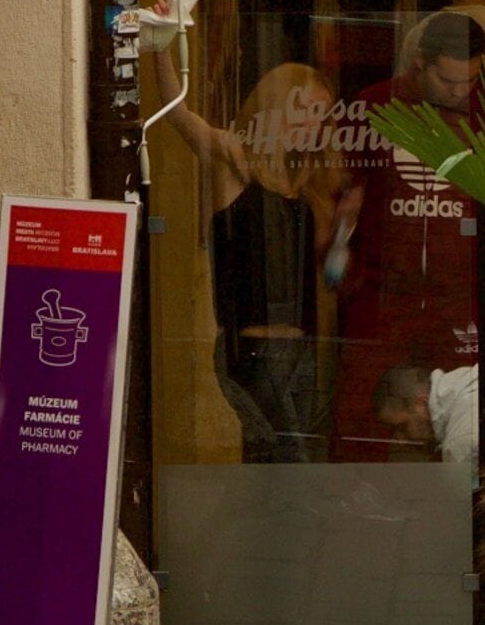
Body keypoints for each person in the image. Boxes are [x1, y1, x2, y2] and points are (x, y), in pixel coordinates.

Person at [144, 46, 356, 464]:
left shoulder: (310, 181)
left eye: (322, 114)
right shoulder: (234, 158)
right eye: (305, 109)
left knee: (279, 464)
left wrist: (343, 234)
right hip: (253, 353)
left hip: (302, 353)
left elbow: (329, 279)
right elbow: (179, 116)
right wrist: (160, 47)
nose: (313, 124)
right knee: (288, 464)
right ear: (276, 106)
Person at [330, 11, 485, 461]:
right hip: (384, 294)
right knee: (361, 412)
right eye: (447, 80)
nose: (459, 92)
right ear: (420, 62)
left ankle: (470, 512)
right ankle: (356, 507)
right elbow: (338, 189)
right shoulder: (372, 106)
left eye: (471, 80)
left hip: (460, 296)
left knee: (474, 412)